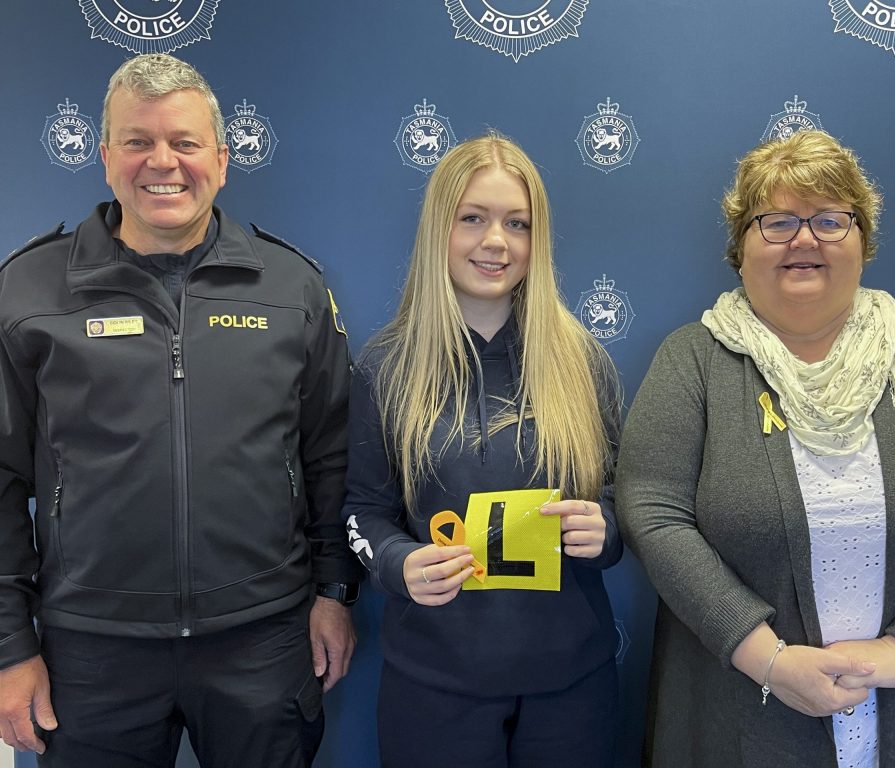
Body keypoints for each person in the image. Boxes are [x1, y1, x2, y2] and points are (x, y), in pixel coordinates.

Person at [617, 130, 895, 767]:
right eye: (776, 221)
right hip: (740, 719)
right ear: (741, 246)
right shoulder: (693, 360)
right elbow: (652, 511)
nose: (804, 238)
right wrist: (769, 660)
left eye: (830, 220)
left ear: (863, 241)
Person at [0, 54, 361, 766]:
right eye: (138, 141)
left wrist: (336, 593)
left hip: (262, 640)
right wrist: (10, 645)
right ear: (105, 157)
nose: (162, 162)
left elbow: (330, 457)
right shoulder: (28, 290)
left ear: (221, 160)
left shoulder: (291, 287)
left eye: (185, 143)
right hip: (91, 652)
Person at [343, 134, 623, 767]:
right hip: (435, 687)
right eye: (473, 218)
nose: (496, 241)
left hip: (571, 687)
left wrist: (605, 531)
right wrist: (395, 561)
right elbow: (363, 510)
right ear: (440, 228)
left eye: (516, 224)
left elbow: (625, 503)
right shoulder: (386, 367)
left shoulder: (585, 363)